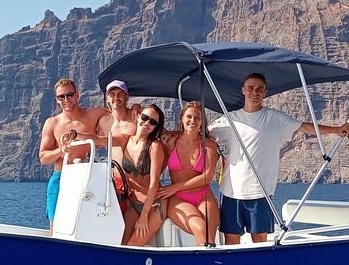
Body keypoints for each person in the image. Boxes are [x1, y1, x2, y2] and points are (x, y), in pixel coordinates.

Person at [209, 73, 349, 245]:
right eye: (251, 88)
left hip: (260, 192)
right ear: (243, 90)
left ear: (265, 93)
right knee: (231, 241)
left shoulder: (275, 118)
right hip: (231, 191)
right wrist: (169, 136)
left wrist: (336, 130)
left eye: (260, 89)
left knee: (260, 242)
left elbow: (305, 127)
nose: (255, 92)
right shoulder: (229, 119)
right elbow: (198, 133)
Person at [38, 78, 108, 231]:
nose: (66, 100)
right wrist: (61, 150)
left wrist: (135, 108)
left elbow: (119, 116)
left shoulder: (94, 114)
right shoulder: (52, 123)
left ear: (77, 95)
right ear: (57, 100)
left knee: (85, 224)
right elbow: (43, 157)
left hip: (86, 178)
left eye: (69, 95)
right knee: (56, 225)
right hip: (60, 177)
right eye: (61, 97)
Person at [158, 101, 221, 246]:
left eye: (197, 118)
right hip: (178, 198)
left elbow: (207, 177)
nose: (193, 121)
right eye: (189, 117)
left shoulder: (209, 145)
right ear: (181, 118)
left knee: (210, 239)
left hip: (203, 194)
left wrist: (174, 187)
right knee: (201, 228)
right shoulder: (170, 142)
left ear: (202, 122)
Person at [111, 104, 167, 246]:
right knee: (120, 244)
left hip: (154, 203)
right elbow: (99, 139)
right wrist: (75, 135)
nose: (147, 123)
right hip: (133, 201)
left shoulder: (155, 146)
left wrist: (144, 215)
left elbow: (154, 183)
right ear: (138, 117)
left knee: (132, 245)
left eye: (153, 122)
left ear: (156, 127)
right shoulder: (126, 140)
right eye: (145, 117)